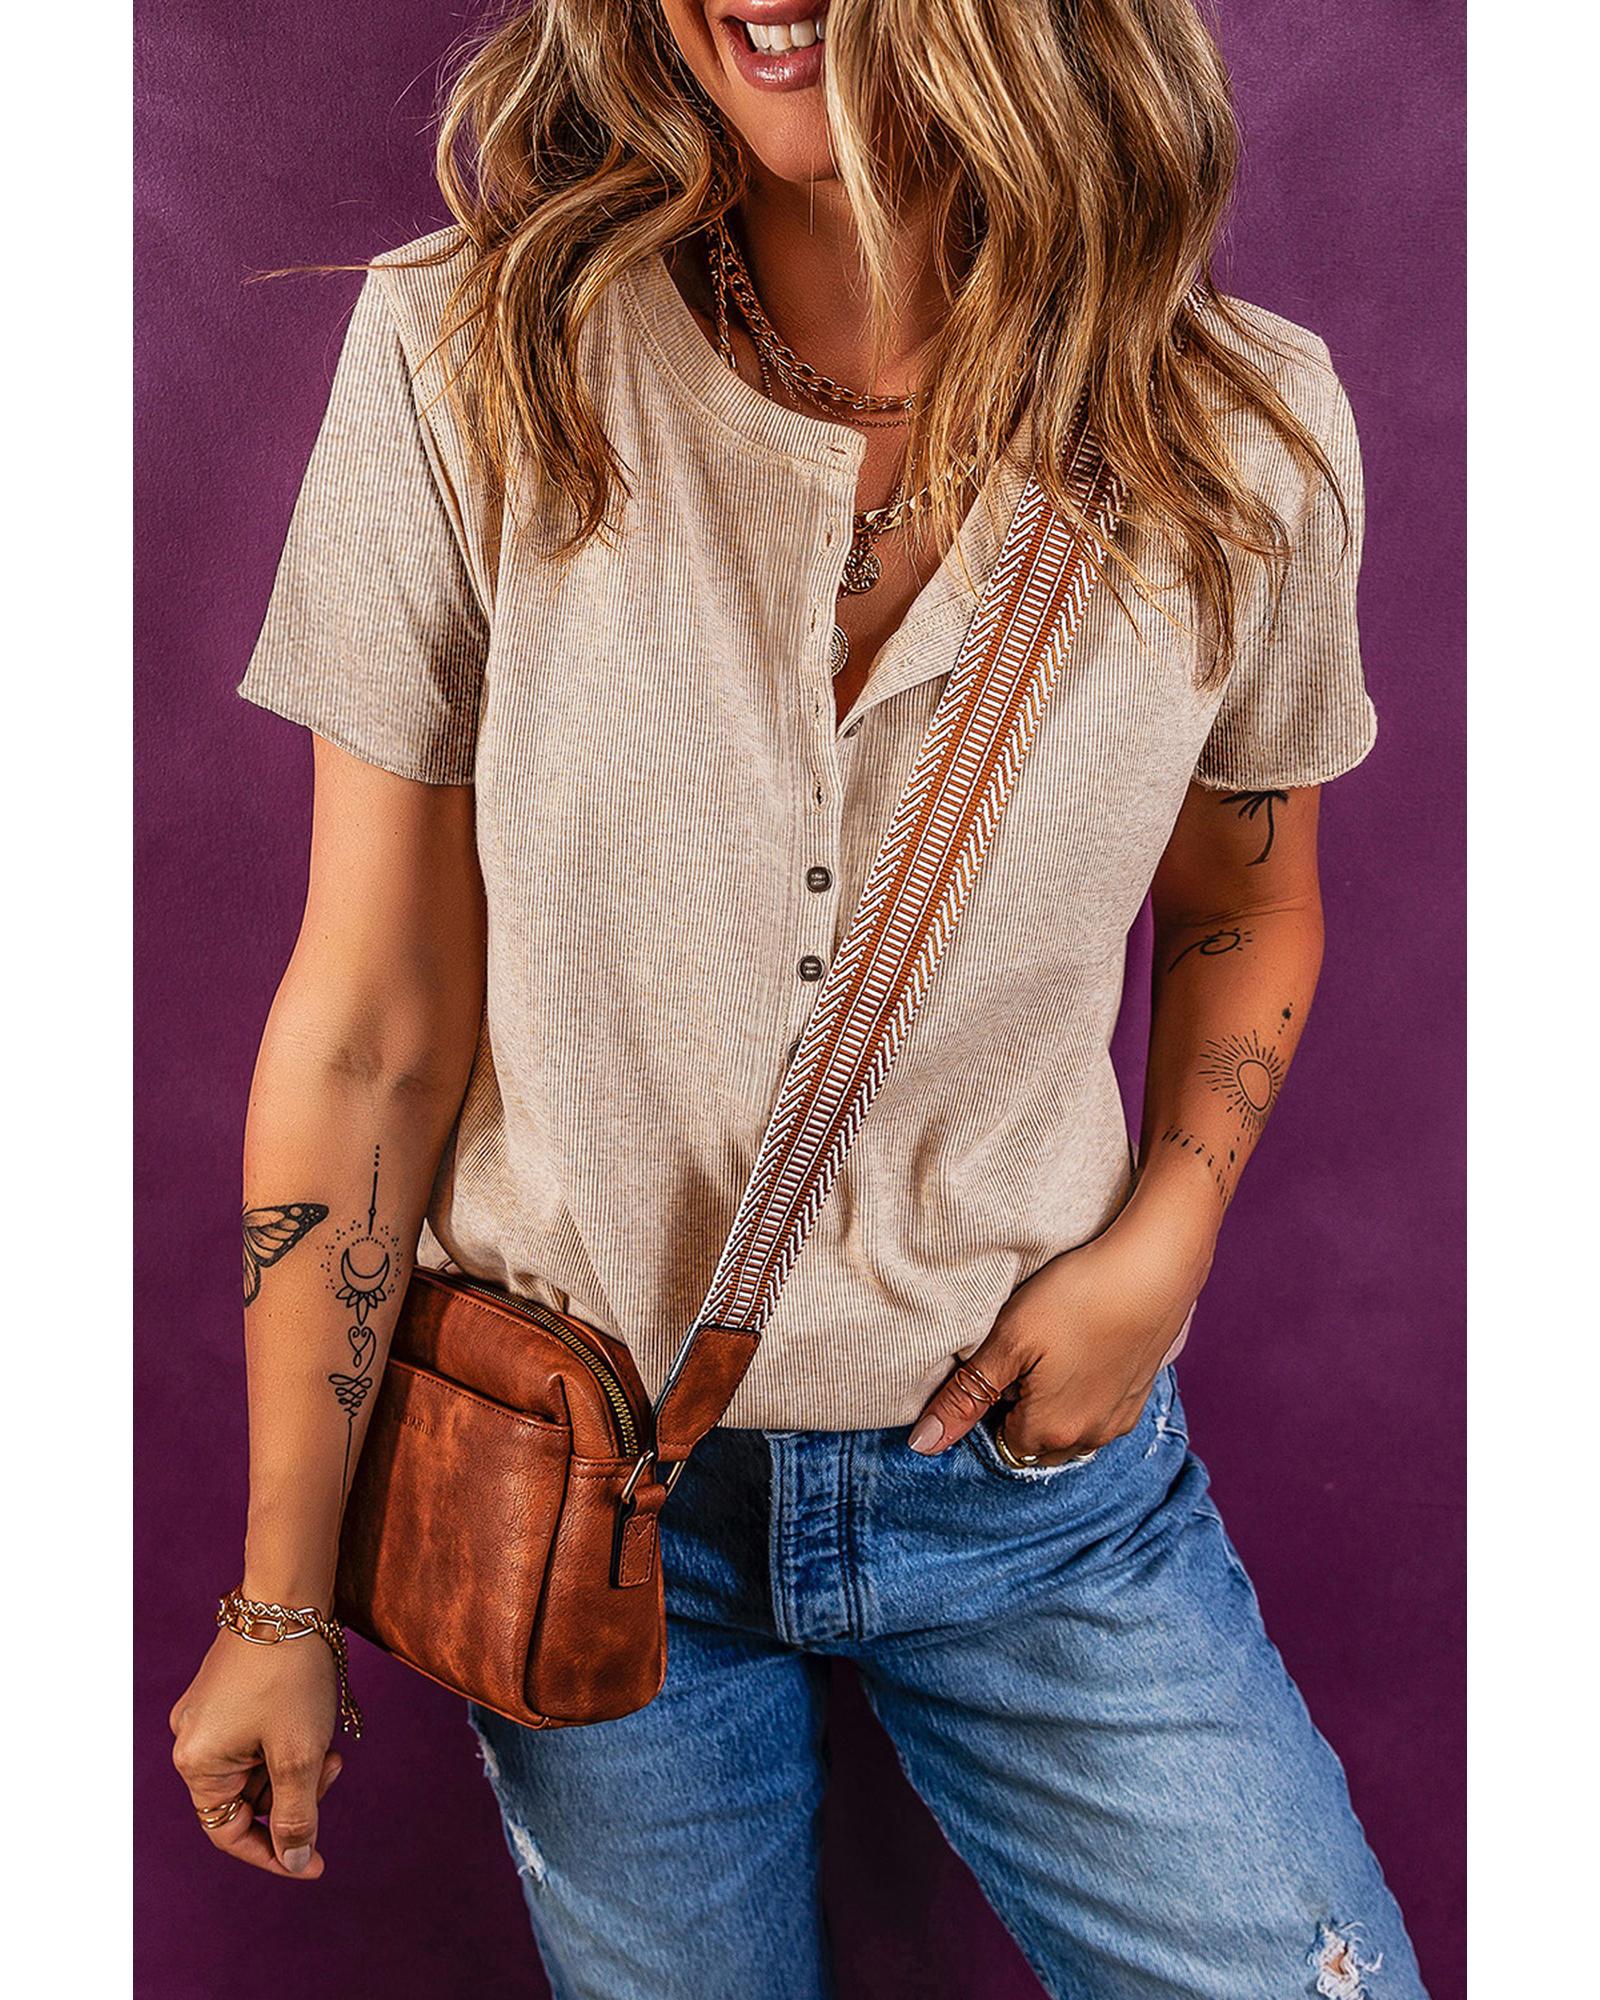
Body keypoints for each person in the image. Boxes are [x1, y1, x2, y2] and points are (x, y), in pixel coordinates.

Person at [169, 4, 1429, 1995]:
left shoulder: (1239, 434)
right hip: (581, 1497)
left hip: (1028, 1489)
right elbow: (371, 1022)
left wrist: (1163, 1246)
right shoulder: (472, 357)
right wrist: (278, 1602)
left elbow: (1245, 904)